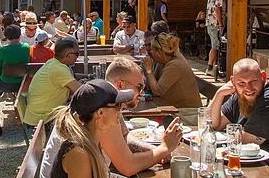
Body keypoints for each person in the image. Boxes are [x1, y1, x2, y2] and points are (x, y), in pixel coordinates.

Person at [41, 57, 183, 178]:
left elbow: (123, 137)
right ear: (100, 114)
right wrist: (164, 148)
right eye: (139, 87)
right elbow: (128, 166)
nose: (120, 111)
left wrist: (155, 148)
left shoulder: (95, 115)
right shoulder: (80, 152)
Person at [46, 80, 136, 178]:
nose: (121, 109)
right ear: (100, 113)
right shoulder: (79, 154)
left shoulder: (91, 139)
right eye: (117, 106)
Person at [24, 38, 81, 126]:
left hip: (35, 113)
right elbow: (80, 91)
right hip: (43, 118)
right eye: (77, 54)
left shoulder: (52, 63)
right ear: (68, 55)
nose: (78, 57)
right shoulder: (59, 69)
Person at [143, 32, 201, 108]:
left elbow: (157, 91)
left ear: (159, 51)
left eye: (152, 50)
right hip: (169, 105)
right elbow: (150, 86)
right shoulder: (163, 61)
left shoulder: (175, 65)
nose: (150, 52)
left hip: (187, 110)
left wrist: (149, 71)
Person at [205, 0, 226, 73]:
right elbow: (217, 10)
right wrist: (221, 24)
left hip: (209, 23)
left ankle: (213, 67)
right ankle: (209, 67)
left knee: (214, 45)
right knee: (216, 45)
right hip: (215, 24)